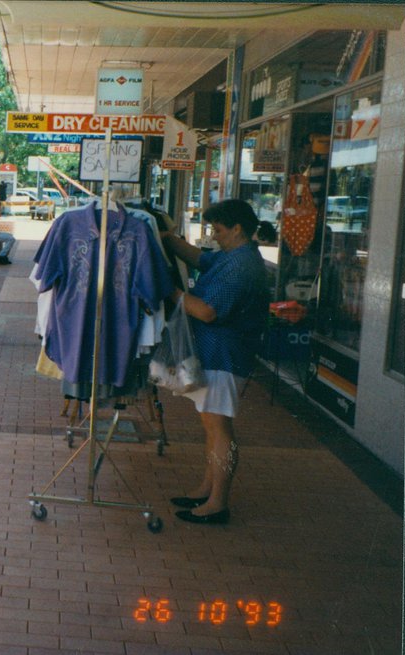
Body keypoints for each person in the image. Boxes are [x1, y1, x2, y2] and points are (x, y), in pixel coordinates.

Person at [159, 199, 269, 525]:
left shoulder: (241, 267)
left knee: (220, 428)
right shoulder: (235, 256)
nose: (214, 236)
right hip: (216, 354)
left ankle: (218, 502)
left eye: (219, 230)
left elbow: (207, 311)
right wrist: (168, 240)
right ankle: (207, 489)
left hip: (225, 356)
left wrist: (173, 293)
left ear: (237, 228)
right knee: (211, 426)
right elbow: (201, 259)